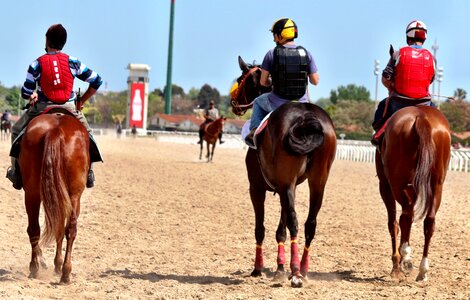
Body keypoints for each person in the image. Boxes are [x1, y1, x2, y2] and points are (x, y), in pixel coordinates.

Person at [6, 24, 103, 190]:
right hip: (70, 106)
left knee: (16, 130)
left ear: (46, 40)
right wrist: (82, 101)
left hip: (43, 105)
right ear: (63, 42)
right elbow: (97, 80)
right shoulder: (73, 61)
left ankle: (16, 172)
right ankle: (89, 173)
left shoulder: (36, 64)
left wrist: (32, 94)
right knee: (88, 134)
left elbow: (25, 91)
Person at [245, 18, 319, 146]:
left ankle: (253, 132)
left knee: (258, 102)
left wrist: (270, 83)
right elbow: (315, 81)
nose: (274, 39)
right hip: (302, 104)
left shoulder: (271, 54)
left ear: (280, 35)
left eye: (274, 35)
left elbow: (263, 82)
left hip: (277, 104)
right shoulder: (306, 53)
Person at [371, 20, 436, 146]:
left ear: (408, 36)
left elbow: (385, 78)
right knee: (438, 117)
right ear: (424, 38)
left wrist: (392, 87)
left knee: (382, 106)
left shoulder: (397, 54)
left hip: (399, 103)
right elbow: (430, 80)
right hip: (424, 103)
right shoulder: (432, 58)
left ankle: (378, 135)